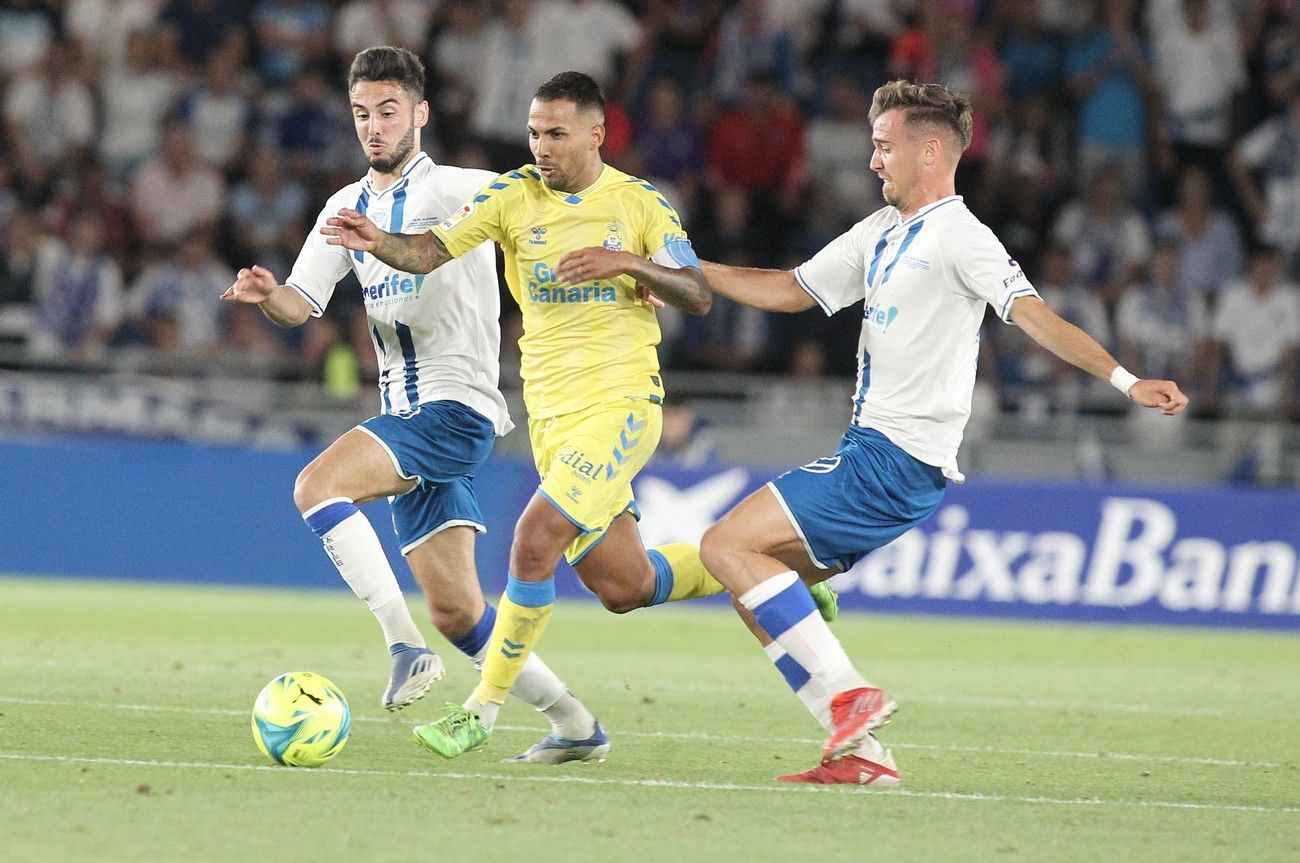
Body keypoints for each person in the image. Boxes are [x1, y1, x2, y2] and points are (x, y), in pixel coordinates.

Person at [321, 71, 837, 761]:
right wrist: (374, 238)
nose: (542, 146)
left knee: (534, 536)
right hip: (554, 420)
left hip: (622, 405)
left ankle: (482, 709)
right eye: (535, 132)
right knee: (624, 584)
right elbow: (427, 253)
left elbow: (697, 292)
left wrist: (626, 262)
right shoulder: (511, 197)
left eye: (557, 134)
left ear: (597, 134)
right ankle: (775, 567)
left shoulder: (639, 204)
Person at [696, 80, 1189, 786]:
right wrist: (684, 271)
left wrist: (1126, 381)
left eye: (884, 146)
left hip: (895, 457)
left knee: (724, 544)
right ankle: (863, 754)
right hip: (870, 453)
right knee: (755, 592)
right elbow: (788, 290)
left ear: (931, 151)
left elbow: (1037, 317)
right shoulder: (881, 231)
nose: (873, 162)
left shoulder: (964, 237)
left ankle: (849, 694)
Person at [220, 46, 603, 763]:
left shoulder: (467, 189)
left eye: (388, 111)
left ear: (421, 114)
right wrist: (269, 296)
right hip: (410, 418)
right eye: (362, 113)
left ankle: (403, 645)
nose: (374, 127)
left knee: (316, 486)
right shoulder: (343, 206)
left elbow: (560, 204)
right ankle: (578, 726)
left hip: (454, 409)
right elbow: (302, 305)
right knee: (461, 612)